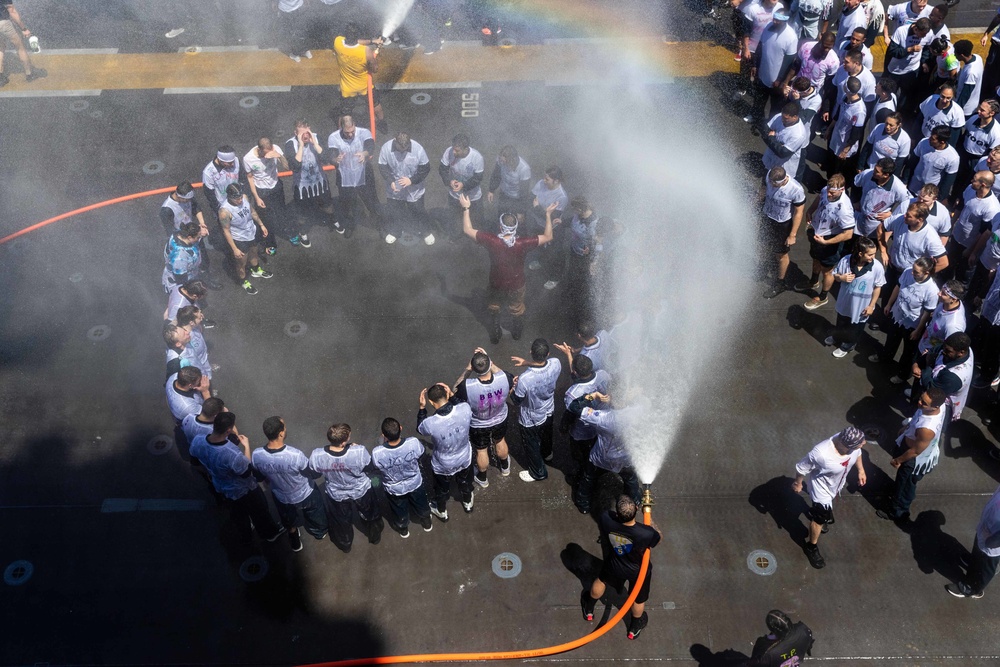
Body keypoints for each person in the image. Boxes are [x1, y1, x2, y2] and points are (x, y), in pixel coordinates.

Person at [460, 192, 554, 343]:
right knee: (516, 307)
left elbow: (467, 230)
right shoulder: (523, 243)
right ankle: (517, 331)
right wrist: (548, 215)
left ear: (500, 226)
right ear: (516, 227)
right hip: (517, 284)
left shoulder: (492, 241)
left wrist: (466, 208)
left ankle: (495, 332)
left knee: (494, 306)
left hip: (496, 283)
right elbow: (548, 236)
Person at [189, 412, 286, 543]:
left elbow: (195, 463)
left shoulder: (198, 440)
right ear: (228, 430)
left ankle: (246, 534)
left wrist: (211, 473)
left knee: (238, 514)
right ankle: (269, 533)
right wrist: (246, 446)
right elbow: (246, 472)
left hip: (222, 487)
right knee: (260, 511)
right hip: (244, 490)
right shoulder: (231, 454)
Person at [580, 495, 661, 640]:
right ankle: (634, 627)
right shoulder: (645, 533)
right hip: (638, 570)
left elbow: (607, 514)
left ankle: (589, 608)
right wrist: (648, 515)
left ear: (617, 513)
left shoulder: (607, 519)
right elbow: (658, 537)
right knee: (638, 599)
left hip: (614, 564)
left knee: (601, 581)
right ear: (636, 509)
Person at [251, 417, 329, 552]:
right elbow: (311, 473)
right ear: (281, 433)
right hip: (305, 493)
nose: (286, 429)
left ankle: (294, 540)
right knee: (315, 511)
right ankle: (319, 532)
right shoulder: (294, 455)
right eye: (284, 427)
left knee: (288, 519)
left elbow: (259, 477)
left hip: (281, 496)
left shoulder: (257, 455)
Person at [793, 426, 866, 568]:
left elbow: (858, 453)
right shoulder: (821, 454)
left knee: (825, 512)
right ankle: (811, 546)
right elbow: (801, 467)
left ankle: (825, 515)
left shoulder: (850, 441)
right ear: (846, 445)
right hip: (822, 490)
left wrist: (861, 470)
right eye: (860, 443)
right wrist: (798, 483)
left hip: (836, 485)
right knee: (819, 518)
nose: (864, 443)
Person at [876, 387, 948, 524]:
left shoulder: (927, 429)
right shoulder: (940, 406)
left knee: (905, 485)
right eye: (921, 398)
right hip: (913, 448)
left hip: (913, 460)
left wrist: (898, 460)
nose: (920, 403)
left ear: (935, 407)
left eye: (924, 403)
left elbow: (915, 451)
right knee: (904, 483)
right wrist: (905, 430)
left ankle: (897, 511)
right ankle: (899, 498)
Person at [308, 423, 384, 553]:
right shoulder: (358, 451)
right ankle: (375, 536)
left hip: (336, 494)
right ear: (343, 442)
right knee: (371, 514)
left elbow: (314, 474)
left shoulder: (317, 456)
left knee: (341, 521)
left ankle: (345, 544)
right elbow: (369, 467)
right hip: (361, 490)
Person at [567, 390, 642, 514]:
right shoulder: (637, 412)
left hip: (601, 457)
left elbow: (574, 407)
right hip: (625, 459)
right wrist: (636, 394)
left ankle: (583, 504)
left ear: (610, 399)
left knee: (588, 477)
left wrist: (593, 396)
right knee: (631, 479)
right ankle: (636, 501)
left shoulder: (602, 417)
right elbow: (647, 403)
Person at [453, 349, 515, 487]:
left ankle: (482, 478)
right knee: (500, 441)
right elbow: (510, 378)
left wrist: (468, 369)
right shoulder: (504, 377)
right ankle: (505, 467)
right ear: (489, 365)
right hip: (500, 418)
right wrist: (490, 362)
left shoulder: (468, 386)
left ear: (474, 368)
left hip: (478, 424)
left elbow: (454, 390)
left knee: (481, 450)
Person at [870, 257, 938, 383]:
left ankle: (902, 374)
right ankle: (885, 358)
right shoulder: (907, 272)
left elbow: (927, 313)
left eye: (917, 272)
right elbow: (898, 287)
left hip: (913, 324)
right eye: (913, 269)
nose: (913, 273)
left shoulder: (932, 290)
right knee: (891, 339)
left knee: (908, 351)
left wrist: (918, 330)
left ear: (926, 273)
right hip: (898, 316)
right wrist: (889, 304)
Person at [797, 173, 856, 309]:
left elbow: (848, 234)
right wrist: (810, 211)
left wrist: (826, 242)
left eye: (832, 193)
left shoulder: (845, 210)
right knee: (815, 259)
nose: (829, 194)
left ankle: (823, 297)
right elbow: (819, 198)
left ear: (842, 190)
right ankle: (813, 281)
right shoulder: (826, 190)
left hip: (829, 240)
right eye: (828, 191)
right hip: (817, 233)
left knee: (827, 271)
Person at [417, 383, 476, 520]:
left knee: (441, 489)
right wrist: (453, 396)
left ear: (431, 402)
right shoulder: (465, 408)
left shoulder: (430, 423)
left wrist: (422, 408)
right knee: (465, 482)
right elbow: (461, 404)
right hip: (464, 456)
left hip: (442, 463)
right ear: (446, 395)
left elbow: (420, 428)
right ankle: (467, 503)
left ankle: (442, 511)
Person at [510, 338, 562, 482]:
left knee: (531, 444)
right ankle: (547, 453)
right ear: (548, 354)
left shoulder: (525, 378)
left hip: (531, 417)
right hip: (549, 409)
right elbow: (543, 366)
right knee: (546, 433)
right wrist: (526, 363)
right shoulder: (556, 363)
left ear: (531, 352)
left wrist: (512, 388)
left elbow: (516, 400)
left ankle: (538, 472)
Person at [371, 417, 432, 538]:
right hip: (414, 483)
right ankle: (426, 522)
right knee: (421, 503)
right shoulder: (413, 442)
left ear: (384, 435)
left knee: (399, 508)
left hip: (395, 489)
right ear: (400, 428)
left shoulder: (377, 452)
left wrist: (381, 443)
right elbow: (421, 454)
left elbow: (376, 467)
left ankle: (403, 528)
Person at [824, 237, 885, 358]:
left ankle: (848, 345)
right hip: (845, 301)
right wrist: (841, 278)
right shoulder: (846, 260)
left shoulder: (877, 267)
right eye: (870, 254)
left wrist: (871, 306)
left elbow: (878, 287)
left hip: (861, 305)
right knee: (841, 321)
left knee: (855, 327)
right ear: (860, 253)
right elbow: (835, 275)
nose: (873, 257)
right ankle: (837, 337)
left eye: (874, 254)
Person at [327, 115, 382, 239]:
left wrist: (364, 153)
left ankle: (379, 223)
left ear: (354, 125)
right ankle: (350, 225)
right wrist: (336, 159)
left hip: (363, 174)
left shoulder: (363, 133)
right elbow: (331, 155)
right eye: (347, 133)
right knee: (346, 203)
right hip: (345, 176)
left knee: (371, 200)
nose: (351, 135)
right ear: (341, 128)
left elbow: (370, 147)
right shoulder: (334, 137)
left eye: (352, 131)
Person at [377, 132, 434, 245]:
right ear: (395, 141)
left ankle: (425, 231)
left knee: (418, 210)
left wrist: (411, 180)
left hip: (413, 187)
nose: (402, 151)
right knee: (395, 210)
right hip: (395, 186)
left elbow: (425, 169)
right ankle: (395, 231)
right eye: (400, 148)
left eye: (405, 148)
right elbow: (382, 167)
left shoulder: (418, 149)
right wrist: (390, 181)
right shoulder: (386, 148)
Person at [286, 119, 334, 248]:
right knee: (302, 213)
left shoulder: (317, 138)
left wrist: (315, 143)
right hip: (302, 186)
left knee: (328, 205)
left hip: (320, 182)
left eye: (307, 133)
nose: (305, 137)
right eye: (302, 135)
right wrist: (301, 146)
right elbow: (295, 166)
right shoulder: (290, 144)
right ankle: (303, 232)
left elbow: (326, 159)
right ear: (295, 133)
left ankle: (332, 220)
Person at [745, 7, 798, 125]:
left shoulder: (791, 37)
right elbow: (760, 46)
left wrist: (780, 79)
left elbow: (789, 61)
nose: (775, 22)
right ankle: (755, 116)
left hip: (776, 80)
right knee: (759, 98)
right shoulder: (768, 27)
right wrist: (755, 65)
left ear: (785, 21)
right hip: (763, 72)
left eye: (778, 21)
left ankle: (771, 125)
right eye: (774, 19)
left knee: (775, 104)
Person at [947, 483, 1000, 598]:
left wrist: (990, 541)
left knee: (986, 568)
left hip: (992, 542)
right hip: (986, 530)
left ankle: (973, 588)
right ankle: (974, 562)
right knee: (978, 552)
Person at [218, 183, 272, 295]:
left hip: (251, 232)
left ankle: (256, 269)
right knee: (241, 262)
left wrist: (261, 225)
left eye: (241, 197)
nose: (240, 200)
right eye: (237, 199)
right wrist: (234, 249)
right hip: (239, 239)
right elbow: (226, 231)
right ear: (230, 197)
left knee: (254, 252)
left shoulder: (245, 198)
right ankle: (243, 281)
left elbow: (252, 211)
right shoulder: (225, 212)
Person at [760, 166, 806, 298]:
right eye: (771, 182)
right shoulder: (769, 175)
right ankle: (763, 267)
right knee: (763, 244)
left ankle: (780, 283)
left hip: (783, 223)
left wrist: (792, 234)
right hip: (767, 216)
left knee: (781, 254)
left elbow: (798, 212)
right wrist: (756, 201)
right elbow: (763, 189)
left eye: (775, 184)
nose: (772, 185)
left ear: (784, 179)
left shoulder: (796, 189)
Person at [947, 171, 1000, 282]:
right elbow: (960, 207)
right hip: (957, 235)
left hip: (969, 244)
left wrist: (972, 251)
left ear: (983, 184)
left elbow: (983, 233)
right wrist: (950, 225)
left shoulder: (992, 207)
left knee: (961, 271)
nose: (971, 181)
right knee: (949, 263)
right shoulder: (970, 189)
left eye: (975, 179)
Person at [333, 23, 385, 133]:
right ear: (357, 36)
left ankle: (340, 131)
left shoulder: (337, 42)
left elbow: (353, 42)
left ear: (346, 36)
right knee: (375, 104)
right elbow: (375, 69)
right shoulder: (365, 51)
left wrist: (373, 41)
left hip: (347, 88)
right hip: (364, 86)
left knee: (344, 112)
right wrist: (375, 52)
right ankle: (382, 123)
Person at [243, 137, 293, 252]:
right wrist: (256, 197)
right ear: (260, 150)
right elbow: (250, 178)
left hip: (276, 186)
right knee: (266, 218)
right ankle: (270, 243)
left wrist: (279, 156)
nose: (268, 155)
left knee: (282, 212)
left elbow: (287, 167)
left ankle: (290, 233)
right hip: (261, 190)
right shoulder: (248, 158)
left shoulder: (275, 149)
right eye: (266, 152)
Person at [440, 134, 486, 241]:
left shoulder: (477, 158)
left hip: (473, 196)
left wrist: (464, 185)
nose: (454, 152)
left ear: (466, 149)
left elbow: (478, 178)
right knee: (454, 217)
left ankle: (477, 240)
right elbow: (442, 169)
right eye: (453, 149)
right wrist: (449, 181)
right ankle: (455, 236)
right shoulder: (449, 152)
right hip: (455, 195)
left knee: (476, 219)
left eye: (457, 151)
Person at [853, 158, 910, 242]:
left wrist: (892, 214)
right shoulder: (867, 174)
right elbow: (855, 183)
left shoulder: (899, 188)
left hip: (875, 227)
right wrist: (855, 201)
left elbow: (908, 204)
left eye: (877, 171)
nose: (873, 172)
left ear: (886, 175)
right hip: (859, 219)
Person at [955, 100, 1000, 202]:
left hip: (977, 158)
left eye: (982, 110)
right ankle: (952, 199)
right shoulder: (974, 118)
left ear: (992, 113)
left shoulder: (996, 132)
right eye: (979, 108)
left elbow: (992, 153)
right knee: (957, 179)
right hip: (964, 153)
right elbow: (963, 135)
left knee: (970, 182)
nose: (978, 111)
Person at [884, 17, 932, 112]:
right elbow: (893, 51)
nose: (922, 37)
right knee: (889, 93)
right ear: (915, 29)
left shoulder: (928, 34)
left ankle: (900, 112)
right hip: (895, 70)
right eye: (921, 35)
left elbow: (926, 48)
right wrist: (909, 49)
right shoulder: (901, 31)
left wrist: (924, 62)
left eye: (924, 35)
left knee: (906, 95)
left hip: (912, 70)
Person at [826, 75, 866, 177]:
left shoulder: (859, 111)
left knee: (840, 172)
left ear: (847, 89)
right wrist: (829, 129)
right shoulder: (845, 98)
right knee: (831, 167)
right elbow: (837, 115)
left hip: (845, 146)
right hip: (836, 139)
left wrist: (845, 151)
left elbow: (856, 134)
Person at [759, 101, 810, 181]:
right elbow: (764, 131)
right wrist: (776, 145)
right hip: (771, 156)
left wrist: (771, 138)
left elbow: (783, 153)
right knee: (765, 180)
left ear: (795, 117)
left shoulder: (799, 134)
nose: (782, 120)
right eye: (782, 117)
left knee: (778, 185)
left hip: (783, 165)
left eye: (786, 119)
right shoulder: (779, 116)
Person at [0, 1, 45, 87]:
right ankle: (29, 74)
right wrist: (24, 29)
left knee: (0, 48)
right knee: (20, 47)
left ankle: (0, 78)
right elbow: (12, 11)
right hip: (3, 23)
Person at [746, 610, 815, 665]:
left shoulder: (765, 649)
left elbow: (756, 663)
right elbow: (809, 642)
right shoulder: (803, 630)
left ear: (772, 629)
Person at [908, 125, 959, 197]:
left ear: (942, 142)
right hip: (913, 186)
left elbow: (948, 181)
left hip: (929, 194)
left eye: (933, 139)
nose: (929, 139)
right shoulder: (923, 142)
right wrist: (905, 180)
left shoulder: (953, 157)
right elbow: (912, 161)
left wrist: (941, 197)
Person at [487, 145, 532, 221]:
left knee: (515, 221)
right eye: (501, 160)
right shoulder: (500, 160)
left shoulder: (524, 169)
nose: (501, 162)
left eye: (504, 161)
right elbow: (496, 175)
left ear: (511, 160)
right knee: (501, 216)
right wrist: (491, 190)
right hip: (504, 194)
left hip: (516, 198)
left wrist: (520, 211)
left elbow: (524, 192)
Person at [201, 146, 243, 220]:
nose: (233, 164)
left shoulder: (236, 161)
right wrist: (219, 211)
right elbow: (210, 195)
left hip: (238, 202)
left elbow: (243, 179)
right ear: (220, 160)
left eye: (233, 161)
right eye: (229, 163)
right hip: (223, 206)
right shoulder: (209, 172)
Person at [162, 222, 204, 294]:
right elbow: (181, 279)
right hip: (178, 283)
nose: (199, 238)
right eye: (198, 237)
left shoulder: (180, 233)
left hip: (191, 274)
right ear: (189, 237)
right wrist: (189, 291)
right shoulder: (180, 256)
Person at [955, 40, 984, 118]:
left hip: (965, 109)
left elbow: (965, 96)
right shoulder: (978, 57)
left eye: (955, 53)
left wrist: (956, 111)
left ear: (962, 55)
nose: (954, 55)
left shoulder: (971, 73)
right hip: (973, 104)